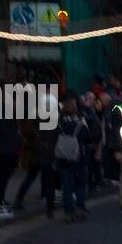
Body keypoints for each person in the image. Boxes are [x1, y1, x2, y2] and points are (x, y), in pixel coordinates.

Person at [53, 92, 92, 221]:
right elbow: (88, 138)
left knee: (67, 186)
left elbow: (54, 138)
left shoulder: (59, 123)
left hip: (63, 159)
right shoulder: (81, 123)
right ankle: (80, 208)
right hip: (78, 158)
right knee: (80, 184)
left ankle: (68, 212)